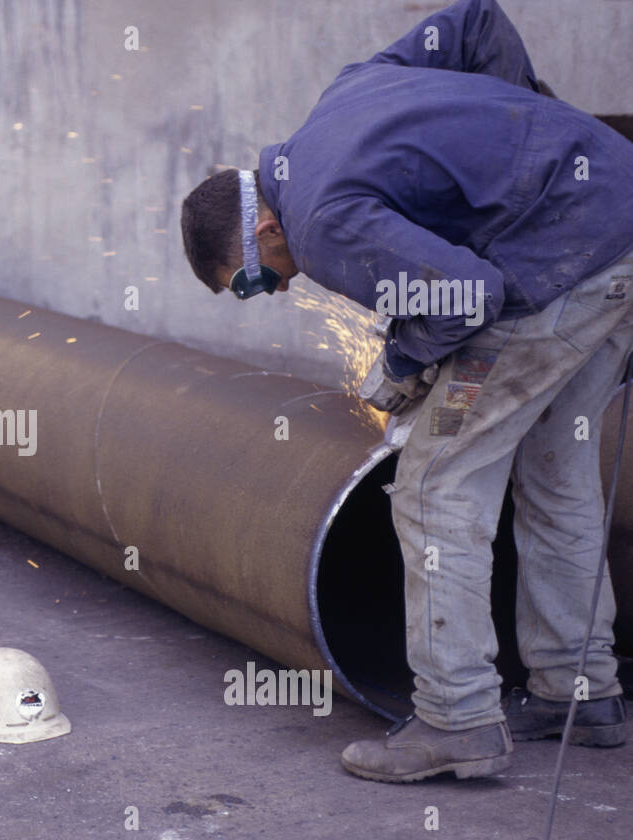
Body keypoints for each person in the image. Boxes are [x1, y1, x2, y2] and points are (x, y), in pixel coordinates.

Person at [179, 0, 631, 781]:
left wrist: (401, 362)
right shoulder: (345, 95)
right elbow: (474, 22)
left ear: (264, 235)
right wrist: (535, 125)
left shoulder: (319, 222)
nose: (276, 293)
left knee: (433, 489)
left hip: (557, 268)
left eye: (253, 284)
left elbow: (471, 294)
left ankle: (455, 719)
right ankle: (577, 692)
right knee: (556, 469)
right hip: (615, 227)